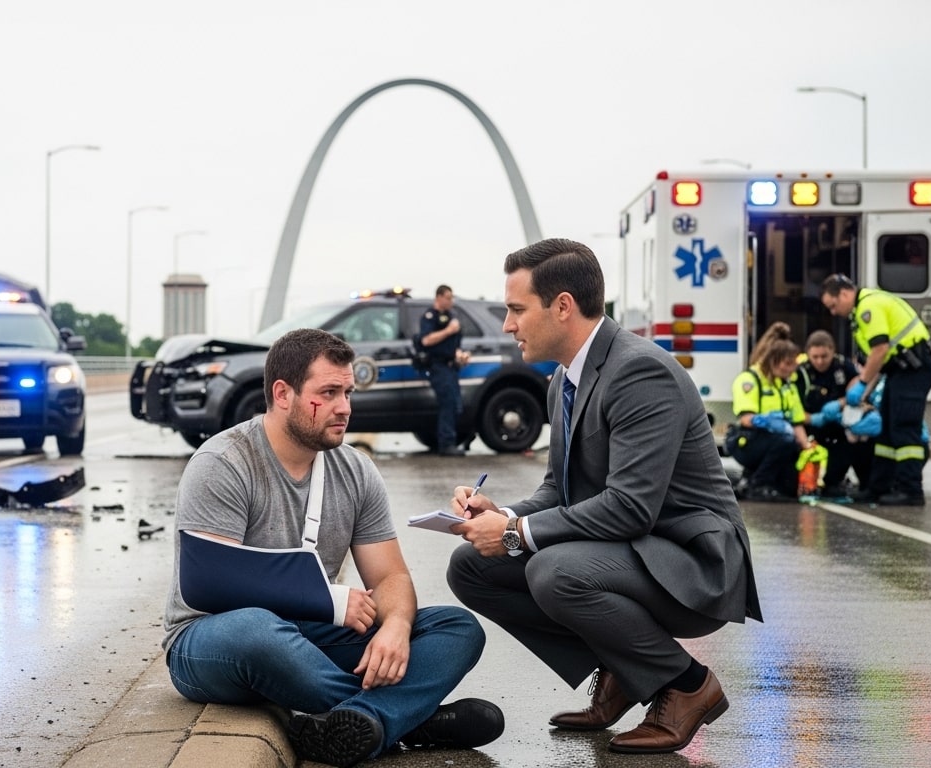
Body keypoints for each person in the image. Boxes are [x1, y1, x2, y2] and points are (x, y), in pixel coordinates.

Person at [443, 238, 762, 755]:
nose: (507, 324)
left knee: (554, 570)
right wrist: (502, 513)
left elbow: (632, 507)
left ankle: (685, 685)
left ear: (562, 306)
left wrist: (515, 533)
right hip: (630, 552)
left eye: (517, 309)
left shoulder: (640, 372)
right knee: (470, 566)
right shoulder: (563, 380)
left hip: (691, 563)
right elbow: (557, 490)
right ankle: (620, 668)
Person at [163, 328, 503, 767]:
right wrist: (329, 599)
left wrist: (397, 628)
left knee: (458, 628)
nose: (344, 407)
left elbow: (390, 577)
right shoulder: (224, 463)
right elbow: (212, 585)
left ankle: (367, 722)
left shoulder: (356, 471)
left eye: (348, 392)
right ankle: (412, 719)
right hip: (213, 639)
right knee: (257, 630)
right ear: (283, 393)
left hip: (312, 633)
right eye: (329, 392)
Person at [820, 274, 931, 505]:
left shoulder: (868, 307)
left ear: (844, 294)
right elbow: (881, 360)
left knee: (904, 428)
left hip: (913, 370)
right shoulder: (866, 306)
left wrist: (863, 383)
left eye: (833, 306)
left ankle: (911, 491)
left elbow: (880, 349)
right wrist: (865, 390)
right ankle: (878, 488)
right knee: (886, 431)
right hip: (900, 370)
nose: (833, 312)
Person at [727, 323, 808, 501]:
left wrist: (807, 448)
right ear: (773, 360)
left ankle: (750, 479)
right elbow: (746, 419)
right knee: (785, 440)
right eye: (788, 364)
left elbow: (797, 422)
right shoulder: (750, 379)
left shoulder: (787, 385)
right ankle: (758, 484)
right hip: (747, 439)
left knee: (791, 488)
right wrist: (767, 421)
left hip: (775, 442)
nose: (791, 369)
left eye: (794, 364)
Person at [796, 329, 872, 498]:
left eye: (824, 356)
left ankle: (839, 482)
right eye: (815, 357)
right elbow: (793, 406)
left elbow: (861, 390)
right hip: (810, 426)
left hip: (839, 424)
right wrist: (813, 419)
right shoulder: (801, 372)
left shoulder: (844, 366)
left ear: (832, 351)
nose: (820, 361)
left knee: (854, 443)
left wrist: (840, 403)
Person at [418, 284, 472, 456]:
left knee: (456, 405)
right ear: (439, 297)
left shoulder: (451, 316)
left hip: (451, 366)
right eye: (448, 297)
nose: (451, 301)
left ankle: (453, 440)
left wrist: (460, 355)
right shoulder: (430, 316)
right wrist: (449, 330)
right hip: (438, 367)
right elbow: (426, 341)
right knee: (448, 404)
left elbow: (454, 345)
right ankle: (446, 444)